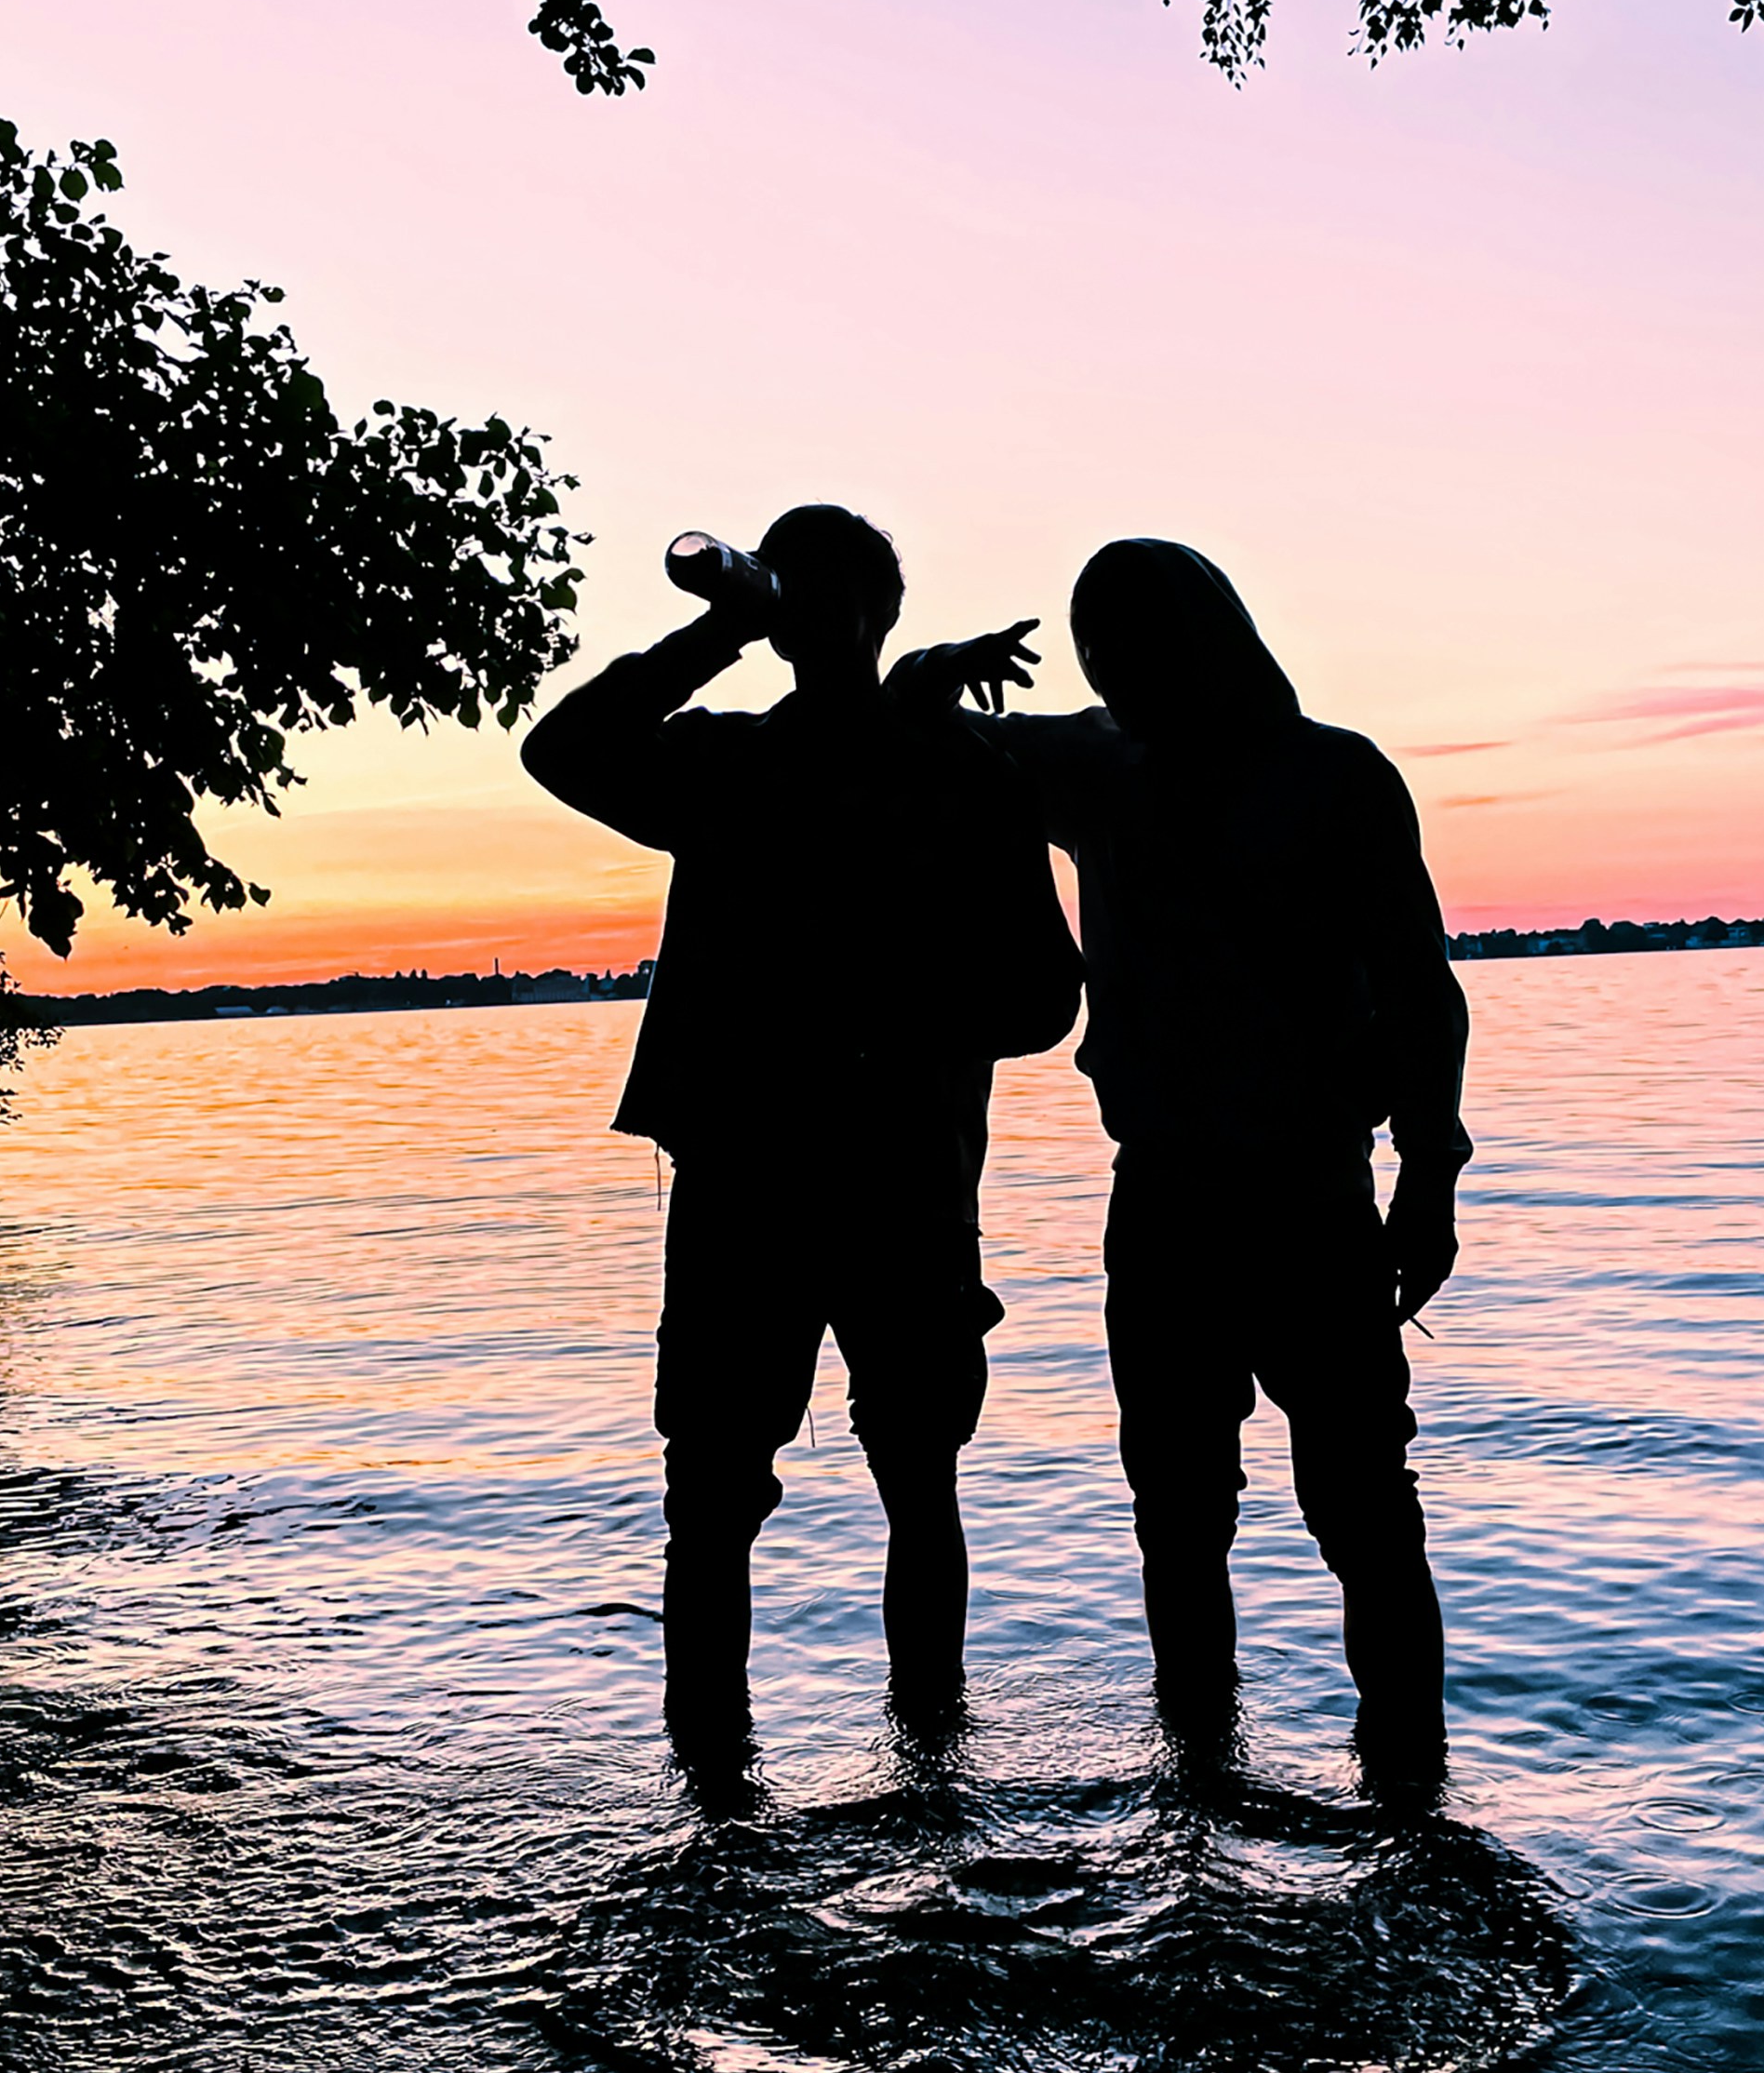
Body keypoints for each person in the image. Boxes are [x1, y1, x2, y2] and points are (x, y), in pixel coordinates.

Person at [893, 541, 1469, 1785]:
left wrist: (1432, 1173)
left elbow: (1425, 997)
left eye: (1134, 647)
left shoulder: (1336, 778)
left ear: (1206, 637)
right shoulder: (1097, 765)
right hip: (1161, 1201)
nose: (1115, 673)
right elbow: (911, 721)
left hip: (1317, 1197)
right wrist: (953, 664)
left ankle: (1406, 1788)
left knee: (1363, 1512)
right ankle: (1203, 1788)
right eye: (1096, 654)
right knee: (1182, 1523)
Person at [521, 506, 1080, 1733]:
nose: (814, 614)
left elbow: (1045, 996)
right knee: (732, 1499)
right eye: (796, 592)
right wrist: (720, 629)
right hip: (778, 1186)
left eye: (820, 591)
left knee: (869, 1490)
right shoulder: (736, 767)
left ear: (874, 612)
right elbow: (561, 751)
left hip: (874, 1182)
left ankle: (851, 1794)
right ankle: (776, 1792)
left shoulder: (939, 772)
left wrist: (896, 1021)